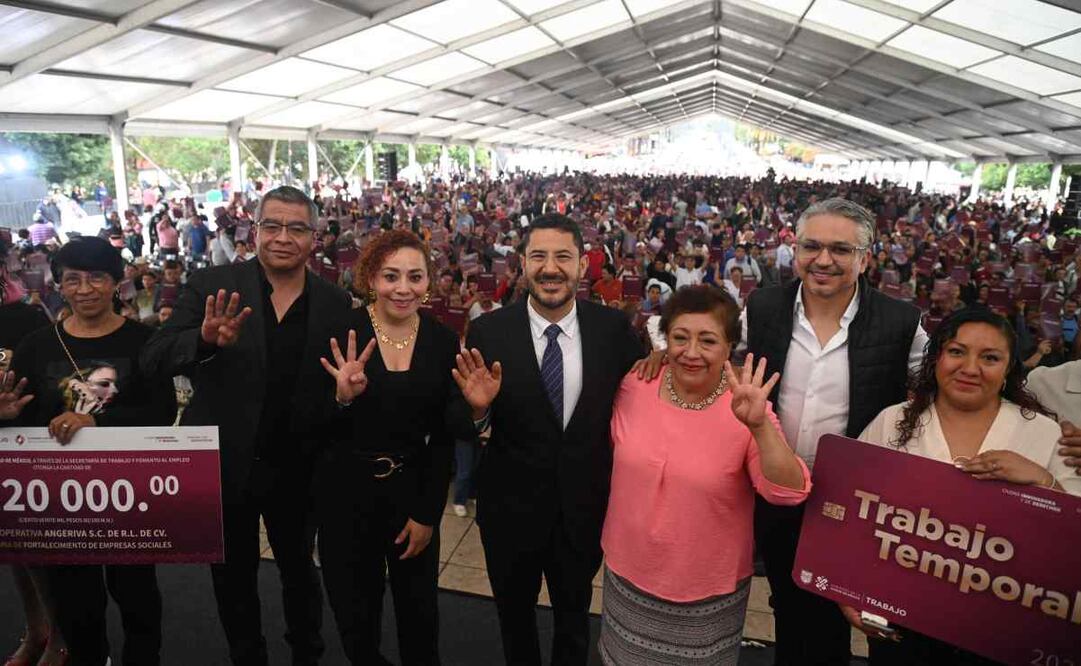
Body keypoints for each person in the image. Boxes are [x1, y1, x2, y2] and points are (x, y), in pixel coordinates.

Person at [141, 186, 352, 666]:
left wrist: (344, 398)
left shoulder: (335, 302)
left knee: (300, 572)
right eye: (271, 226)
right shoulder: (214, 285)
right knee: (232, 577)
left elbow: (340, 384)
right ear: (254, 230)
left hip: (298, 469)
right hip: (226, 466)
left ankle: (307, 653)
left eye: (296, 228)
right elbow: (154, 357)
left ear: (313, 237)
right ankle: (247, 655)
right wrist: (203, 340)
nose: (283, 237)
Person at [449, 213, 648, 666]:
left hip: (583, 514)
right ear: (521, 264)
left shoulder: (613, 332)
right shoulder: (488, 332)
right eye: (538, 256)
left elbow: (640, 400)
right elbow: (458, 420)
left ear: (583, 265)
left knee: (574, 623)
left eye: (563, 256)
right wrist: (479, 411)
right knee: (514, 623)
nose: (550, 267)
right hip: (509, 515)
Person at [744, 197, 926, 666]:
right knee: (786, 600)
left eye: (841, 250)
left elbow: (941, 390)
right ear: (795, 250)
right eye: (812, 246)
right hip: (779, 487)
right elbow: (717, 355)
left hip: (853, 498)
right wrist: (659, 351)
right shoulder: (762, 307)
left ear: (865, 257)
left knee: (836, 608)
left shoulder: (902, 323)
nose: (824, 260)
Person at [854, 307, 1078, 665]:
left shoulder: (1045, 433)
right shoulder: (892, 421)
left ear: (1009, 369)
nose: (970, 368)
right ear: (937, 357)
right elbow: (850, 513)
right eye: (957, 352)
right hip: (903, 617)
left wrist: (1042, 480)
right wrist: (848, 592)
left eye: (990, 358)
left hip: (1007, 630)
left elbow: (1073, 541)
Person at [600, 286, 810, 665]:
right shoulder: (635, 385)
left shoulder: (745, 404)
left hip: (705, 594)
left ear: (730, 346)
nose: (691, 352)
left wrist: (760, 427)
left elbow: (788, 491)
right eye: (680, 338)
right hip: (629, 576)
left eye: (708, 340)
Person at [1, 236, 175, 666]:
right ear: (58, 284)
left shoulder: (144, 341)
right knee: (79, 615)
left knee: (139, 605)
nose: (84, 289)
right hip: (63, 504)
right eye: (72, 279)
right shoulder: (36, 348)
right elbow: (24, 425)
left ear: (117, 282)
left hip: (131, 498)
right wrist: (4, 415)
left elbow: (163, 410)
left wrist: (96, 421)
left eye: (97, 277)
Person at [314, 230, 459, 665]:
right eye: (391, 275)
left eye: (415, 277)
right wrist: (341, 399)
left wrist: (428, 512)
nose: (403, 288)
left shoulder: (442, 340)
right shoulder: (342, 333)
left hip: (412, 494)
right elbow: (311, 424)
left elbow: (444, 436)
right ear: (370, 278)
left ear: (428, 281)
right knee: (356, 619)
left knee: (420, 619)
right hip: (345, 497)